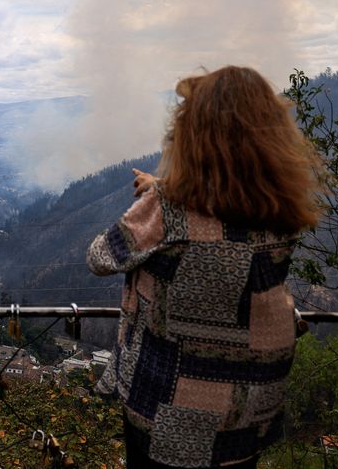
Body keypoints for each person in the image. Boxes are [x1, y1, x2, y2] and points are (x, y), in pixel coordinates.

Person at [86, 66, 321, 468]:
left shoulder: (168, 212)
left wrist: (159, 195)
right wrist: (161, 190)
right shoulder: (284, 211)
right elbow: (225, 222)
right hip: (249, 408)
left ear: (193, 135)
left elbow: (101, 257)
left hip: (166, 408)